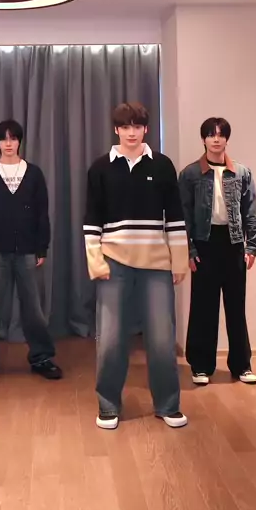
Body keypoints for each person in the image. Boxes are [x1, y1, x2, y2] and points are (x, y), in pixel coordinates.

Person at [83, 102, 189, 430]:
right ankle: (108, 406)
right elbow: (92, 219)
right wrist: (96, 261)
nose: (132, 132)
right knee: (111, 339)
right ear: (116, 129)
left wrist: (179, 260)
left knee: (162, 338)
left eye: (138, 126)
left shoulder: (162, 166)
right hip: (113, 262)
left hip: (156, 264)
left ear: (146, 129)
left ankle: (168, 405)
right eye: (126, 126)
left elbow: (175, 216)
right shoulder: (101, 168)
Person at [0, 119, 63, 383]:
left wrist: (42, 247)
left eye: (13, 138)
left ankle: (42, 358)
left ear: (19, 141)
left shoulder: (34, 174)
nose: (8, 143)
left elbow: (42, 213)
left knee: (34, 310)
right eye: (4, 138)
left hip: (28, 252)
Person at [178, 117, 256, 386]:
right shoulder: (190, 174)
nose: (216, 139)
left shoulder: (242, 172)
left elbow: (251, 212)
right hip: (204, 243)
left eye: (221, 134)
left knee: (236, 306)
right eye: (211, 134)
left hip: (233, 244)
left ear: (227, 139)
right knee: (203, 306)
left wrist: (252, 246)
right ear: (203, 139)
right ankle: (201, 366)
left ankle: (242, 365)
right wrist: (189, 250)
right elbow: (183, 216)